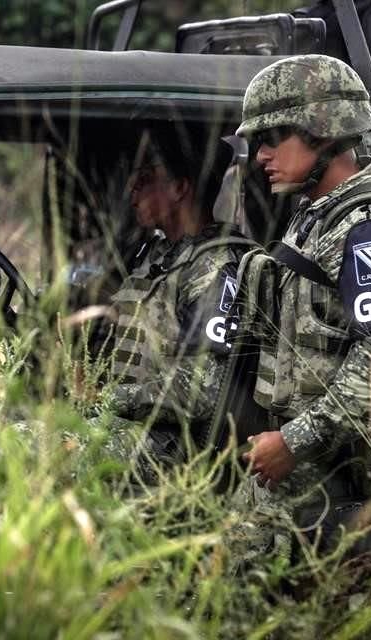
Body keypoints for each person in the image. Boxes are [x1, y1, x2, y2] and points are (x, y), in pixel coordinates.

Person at [227, 54, 371, 562]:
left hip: (330, 488)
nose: (260, 155)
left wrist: (292, 442)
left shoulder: (368, 226)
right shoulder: (316, 214)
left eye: (273, 138)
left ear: (323, 132)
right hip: (296, 481)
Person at [91, 129, 253, 485]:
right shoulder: (160, 254)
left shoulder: (214, 265)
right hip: (139, 426)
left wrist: (109, 398)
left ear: (180, 188)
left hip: (179, 447)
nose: (132, 190)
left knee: (29, 444)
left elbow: (204, 389)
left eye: (146, 179)